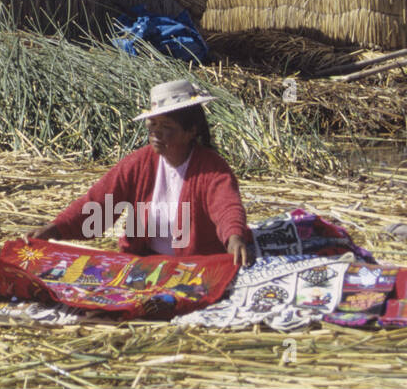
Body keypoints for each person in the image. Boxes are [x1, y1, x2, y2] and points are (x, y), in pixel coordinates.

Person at [31, 79, 251, 266]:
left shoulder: (211, 169)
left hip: (194, 266)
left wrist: (234, 237)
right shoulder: (138, 164)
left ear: (191, 131)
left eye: (166, 126)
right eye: (152, 125)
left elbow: (226, 207)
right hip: (143, 264)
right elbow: (99, 204)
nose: (155, 133)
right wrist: (55, 229)